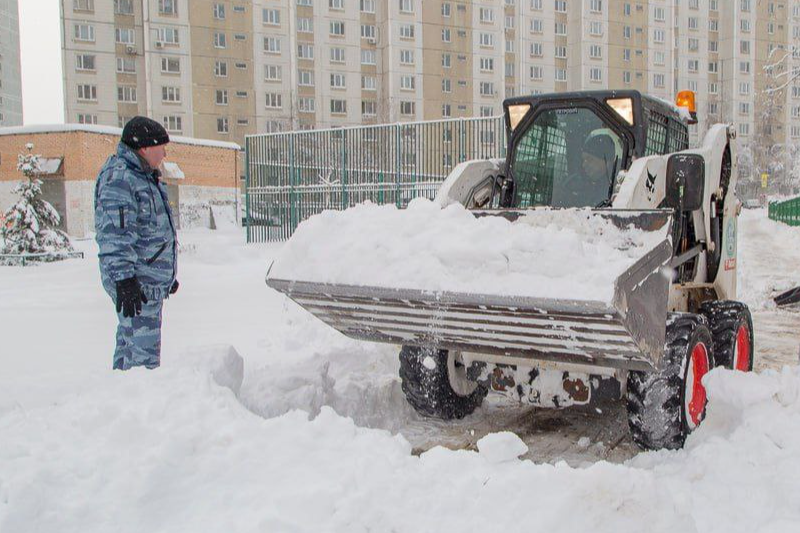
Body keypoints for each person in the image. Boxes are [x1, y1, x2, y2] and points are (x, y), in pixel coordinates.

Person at [94, 117, 178, 370]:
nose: (164, 153)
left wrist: (164, 274)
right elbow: (114, 234)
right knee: (143, 364)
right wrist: (124, 279)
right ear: (144, 147)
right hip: (135, 286)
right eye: (161, 146)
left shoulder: (143, 176)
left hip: (145, 282)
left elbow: (151, 231)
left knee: (130, 348)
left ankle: (122, 401)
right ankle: (142, 407)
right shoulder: (120, 178)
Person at [553, 134, 618, 208]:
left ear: (607, 162)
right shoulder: (571, 185)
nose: (584, 165)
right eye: (584, 160)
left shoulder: (619, 187)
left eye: (590, 159)